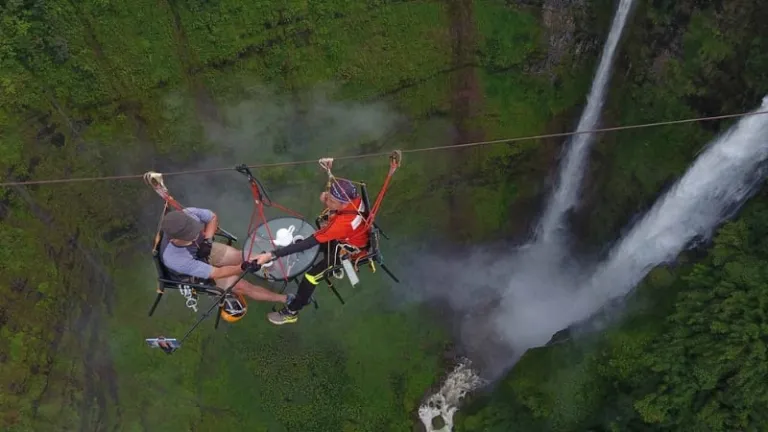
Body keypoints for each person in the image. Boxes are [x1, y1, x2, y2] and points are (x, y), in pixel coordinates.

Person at [253, 179, 369, 325]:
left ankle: (292, 312)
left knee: (310, 277)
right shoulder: (353, 198)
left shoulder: (342, 224)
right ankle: (282, 264)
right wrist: (328, 195)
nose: (327, 201)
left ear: (344, 204)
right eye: (329, 197)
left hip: (346, 253)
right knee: (302, 245)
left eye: (332, 201)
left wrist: (272, 254)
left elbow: (310, 242)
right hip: (345, 238)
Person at [160, 207, 293, 306]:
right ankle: (284, 299)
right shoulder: (175, 259)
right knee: (242, 286)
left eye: (195, 230)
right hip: (195, 272)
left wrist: (207, 241)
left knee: (241, 255)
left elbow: (212, 217)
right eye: (190, 236)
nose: (195, 235)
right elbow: (217, 273)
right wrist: (242, 267)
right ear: (173, 240)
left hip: (204, 249)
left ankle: (273, 268)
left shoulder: (188, 214)